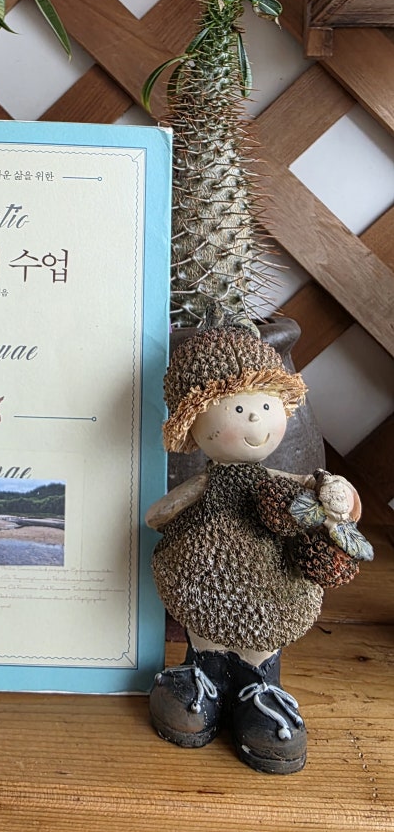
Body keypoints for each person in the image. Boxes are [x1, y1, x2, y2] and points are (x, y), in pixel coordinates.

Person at [146, 310, 371, 774]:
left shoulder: (288, 484)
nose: (255, 417)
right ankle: (203, 672)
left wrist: (338, 495)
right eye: (237, 409)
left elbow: (344, 504)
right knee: (203, 622)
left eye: (265, 406)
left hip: (272, 585)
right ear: (194, 421)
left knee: (265, 629)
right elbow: (159, 514)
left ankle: (261, 686)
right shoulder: (206, 483)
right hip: (202, 578)